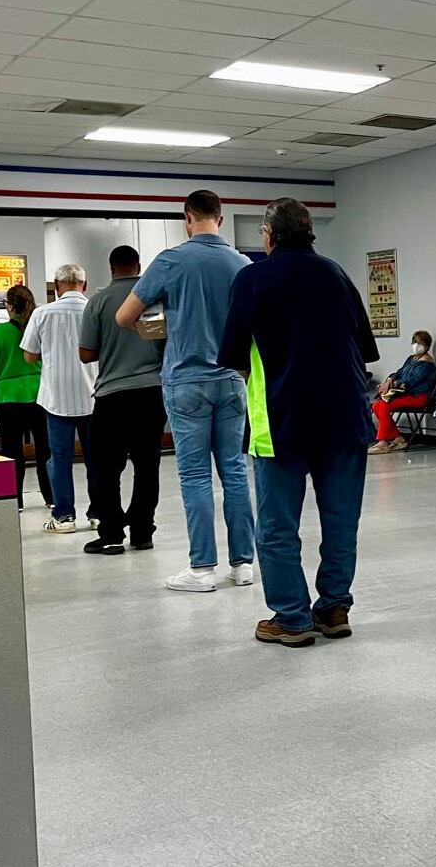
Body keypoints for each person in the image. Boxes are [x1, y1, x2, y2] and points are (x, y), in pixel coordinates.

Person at [219, 198, 378, 645]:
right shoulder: (336, 274)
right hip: (345, 418)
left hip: (281, 419)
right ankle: (334, 608)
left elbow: (233, 355)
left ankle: (291, 617)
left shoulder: (252, 278)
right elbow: (365, 349)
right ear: (309, 232)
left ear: (268, 236)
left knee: (276, 528)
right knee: (341, 522)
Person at [117, 190, 255, 592]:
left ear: (187, 218)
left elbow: (124, 316)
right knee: (234, 471)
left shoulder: (170, 261)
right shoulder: (242, 264)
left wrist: (163, 324)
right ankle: (243, 564)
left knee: (195, 476)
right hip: (232, 380)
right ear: (221, 219)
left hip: (186, 380)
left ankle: (202, 569)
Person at [79, 245, 166, 556]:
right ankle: (142, 532)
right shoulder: (151, 299)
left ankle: (112, 534)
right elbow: (163, 344)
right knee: (147, 465)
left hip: (111, 396)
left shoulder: (98, 301)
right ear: (138, 266)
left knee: (105, 468)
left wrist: (110, 346)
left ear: (111, 267)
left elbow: (86, 353)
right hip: (151, 392)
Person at [22, 264, 98, 534]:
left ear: (56, 287)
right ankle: (98, 514)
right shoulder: (95, 310)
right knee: (96, 459)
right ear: (85, 285)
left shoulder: (42, 313)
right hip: (93, 397)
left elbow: (29, 356)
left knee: (60, 458)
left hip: (56, 398)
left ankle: (64, 517)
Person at [0, 285, 52, 512]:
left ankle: (16, 500)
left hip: (8, 398)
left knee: (12, 450)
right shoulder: (39, 328)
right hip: (40, 395)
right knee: (45, 450)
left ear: (9, 306)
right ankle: (51, 497)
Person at [369, 329, 436, 454]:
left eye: (420, 343)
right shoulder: (411, 359)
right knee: (376, 405)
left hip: (419, 397)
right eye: (414, 341)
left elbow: (410, 381)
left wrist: (393, 384)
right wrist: (389, 380)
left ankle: (383, 442)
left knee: (383, 405)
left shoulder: (427, 365)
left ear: (427, 346)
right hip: (406, 395)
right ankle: (398, 438)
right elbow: (399, 373)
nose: (416, 345)